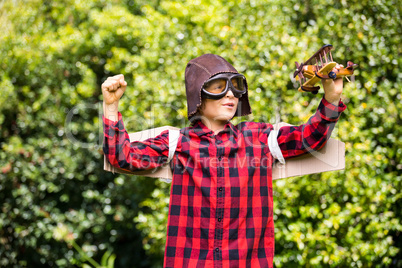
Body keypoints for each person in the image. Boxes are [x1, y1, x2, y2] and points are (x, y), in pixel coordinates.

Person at [102, 54, 346, 267]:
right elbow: (122, 156)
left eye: (235, 87)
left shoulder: (258, 138)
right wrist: (111, 108)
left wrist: (331, 99)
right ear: (199, 94)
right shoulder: (178, 143)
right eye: (219, 87)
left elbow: (310, 139)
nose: (230, 94)